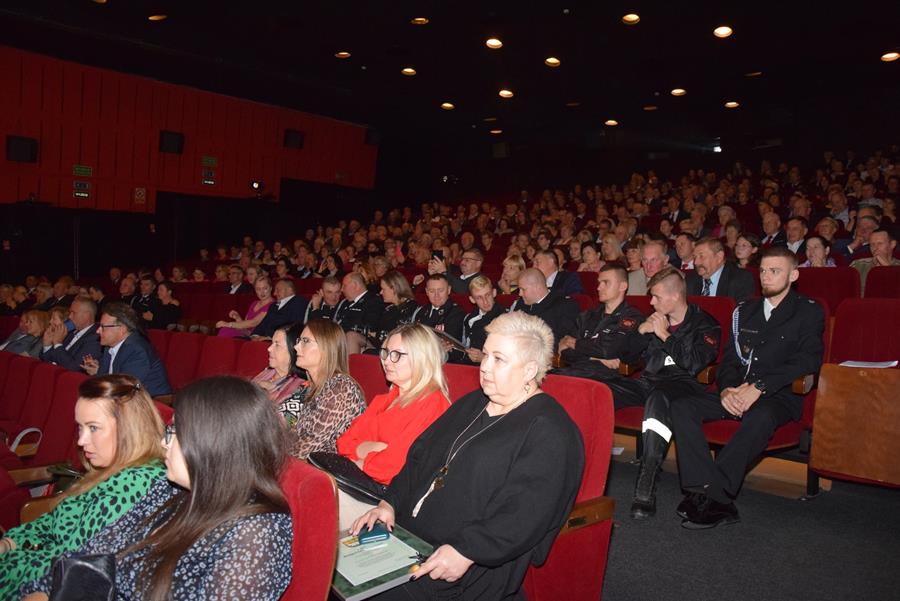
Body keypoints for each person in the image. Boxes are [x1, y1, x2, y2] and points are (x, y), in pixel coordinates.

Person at [350, 312, 584, 600]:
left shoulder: (550, 430)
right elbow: (419, 457)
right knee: (332, 572)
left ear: (529, 370)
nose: (484, 367)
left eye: (499, 359)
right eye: (485, 355)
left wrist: (467, 551)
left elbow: (526, 511)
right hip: (408, 540)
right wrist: (389, 503)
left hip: (466, 567)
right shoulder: (473, 403)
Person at [18, 376, 293, 601]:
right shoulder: (170, 489)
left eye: (175, 434)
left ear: (212, 444)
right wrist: (42, 591)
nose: (164, 444)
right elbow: (94, 550)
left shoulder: (258, 532)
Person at [669, 247, 824, 529]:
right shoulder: (745, 310)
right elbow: (729, 360)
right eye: (763, 270)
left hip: (777, 396)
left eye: (774, 271)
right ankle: (704, 490)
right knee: (682, 406)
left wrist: (759, 387)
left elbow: (808, 360)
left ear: (793, 275)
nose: (766, 277)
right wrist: (727, 390)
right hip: (736, 392)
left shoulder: (808, 311)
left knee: (760, 416)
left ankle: (711, 496)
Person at [0, 374, 166, 598]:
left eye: (93, 428)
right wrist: (11, 543)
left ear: (129, 429)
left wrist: (11, 558)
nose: (81, 440)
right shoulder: (107, 468)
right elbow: (52, 522)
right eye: (80, 427)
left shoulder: (131, 487)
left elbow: (69, 570)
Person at [601, 267, 721, 520]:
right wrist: (639, 333)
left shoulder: (705, 323)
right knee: (601, 392)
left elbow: (694, 363)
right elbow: (627, 358)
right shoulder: (654, 319)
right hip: (649, 382)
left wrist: (664, 335)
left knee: (658, 398)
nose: (651, 303)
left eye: (656, 296)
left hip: (683, 387)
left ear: (675, 296)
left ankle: (646, 481)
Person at [335, 324, 450, 526]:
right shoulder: (384, 400)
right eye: (386, 352)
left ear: (422, 358)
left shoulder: (434, 404)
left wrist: (360, 458)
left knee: (320, 495)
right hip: (361, 486)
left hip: (390, 501)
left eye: (397, 355)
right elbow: (344, 442)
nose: (387, 361)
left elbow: (395, 469)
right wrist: (375, 448)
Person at [279, 318, 366, 459]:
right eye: (299, 341)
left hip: (328, 468)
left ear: (326, 348)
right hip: (307, 464)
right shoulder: (311, 387)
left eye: (306, 341)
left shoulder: (340, 387)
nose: (296, 347)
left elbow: (308, 446)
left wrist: (272, 453)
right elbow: (295, 432)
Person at [555, 264, 646, 382]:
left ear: (622, 286)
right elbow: (564, 351)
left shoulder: (632, 317)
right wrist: (594, 358)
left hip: (606, 378)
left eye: (606, 283)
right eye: (599, 283)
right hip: (576, 372)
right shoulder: (588, 315)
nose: (599, 288)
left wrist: (571, 342)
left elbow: (607, 350)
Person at [82, 303, 171, 397]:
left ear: (122, 329)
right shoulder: (109, 346)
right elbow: (108, 379)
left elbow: (126, 389)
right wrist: (97, 371)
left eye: (103, 327)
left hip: (152, 401)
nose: (98, 331)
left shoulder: (137, 350)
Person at [40, 296, 101, 372]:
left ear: (87, 315)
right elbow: (47, 359)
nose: (70, 316)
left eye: (73, 313)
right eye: (70, 312)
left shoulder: (95, 338)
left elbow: (74, 368)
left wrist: (58, 343)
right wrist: (47, 345)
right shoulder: (70, 332)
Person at [251, 322, 307, 404]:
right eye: (272, 343)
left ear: (294, 349)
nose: (269, 349)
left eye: (277, 345)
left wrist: (268, 392)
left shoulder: (300, 387)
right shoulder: (267, 372)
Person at [686, 237, 755, 302]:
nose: (696, 262)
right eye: (695, 257)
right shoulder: (690, 280)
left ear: (719, 257)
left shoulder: (740, 279)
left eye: (701, 256)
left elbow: (742, 309)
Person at [334, 272, 385, 354]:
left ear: (355, 285)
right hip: (341, 338)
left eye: (344, 286)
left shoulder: (373, 301)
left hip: (365, 340)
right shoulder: (344, 303)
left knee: (350, 336)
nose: (342, 289)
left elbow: (369, 327)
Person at [459, 275, 505, 365]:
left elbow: (508, 355)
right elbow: (465, 344)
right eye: (479, 297)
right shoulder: (469, 318)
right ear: (472, 299)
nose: (485, 301)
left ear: (494, 293)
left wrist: (483, 358)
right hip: (467, 364)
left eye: (487, 295)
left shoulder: (504, 318)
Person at [413, 274, 466, 348]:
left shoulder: (456, 313)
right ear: (426, 292)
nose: (436, 295)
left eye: (440, 290)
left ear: (449, 290)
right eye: (432, 291)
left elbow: (450, 345)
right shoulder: (421, 311)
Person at [371, 270, 419, 347]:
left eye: (383, 289)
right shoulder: (389, 308)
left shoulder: (410, 307)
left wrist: (375, 334)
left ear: (394, 289)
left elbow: (401, 334)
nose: (381, 292)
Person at [850, 229, 899, 295]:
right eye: (872, 244)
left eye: (880, 243)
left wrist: (887, 268)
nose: (875, 248)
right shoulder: (858, 265)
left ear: (892, 244)